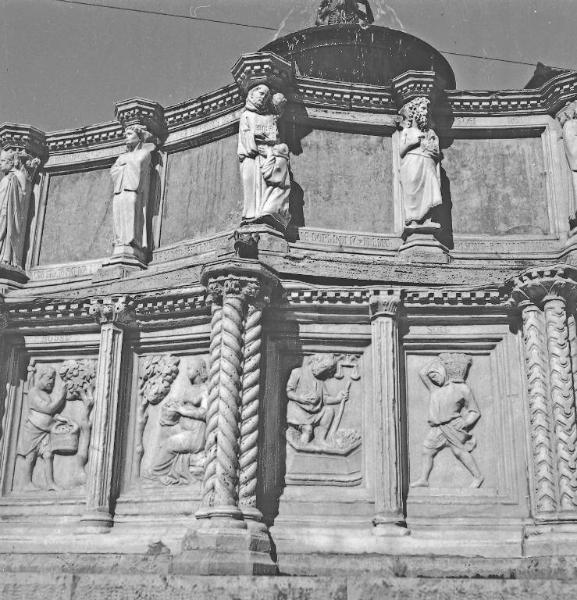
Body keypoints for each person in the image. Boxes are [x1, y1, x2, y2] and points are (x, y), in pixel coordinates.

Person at [411, 354, 484, 489]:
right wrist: (437, 360)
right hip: (437, 428)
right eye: (432, 377)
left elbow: (475, 411)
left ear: (445, 373)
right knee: (427, 451)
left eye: (436, 375)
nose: (434, 378)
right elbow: (422, 373)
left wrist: (466, 422)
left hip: (453, 426)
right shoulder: (435, 390)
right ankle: (423, 479)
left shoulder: (463, 389)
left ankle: (478, 476)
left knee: (459, 452)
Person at [238, 84, 291, 231]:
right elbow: (246, 140)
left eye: (266, 96)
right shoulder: (246, 116)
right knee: (251, 189)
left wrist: (266, 145)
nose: (263, 98)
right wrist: (257, 143)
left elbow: (275, 136)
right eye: (261, 93)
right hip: (252, 157)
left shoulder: (269, 118)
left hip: (266, 155)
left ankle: (269, 213)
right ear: (252, 94)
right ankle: (250, 217)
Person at [150, 358, 208, 485]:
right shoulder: (188, 389)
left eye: (189, 368)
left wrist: (183, 411)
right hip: (184, 429)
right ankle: (164, 473)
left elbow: (204, 413)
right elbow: (180, 406)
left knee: (169, 444)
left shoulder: (205, 389)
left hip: (195, 434)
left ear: (198, 370)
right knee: (163, 439)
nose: (187, 371)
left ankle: (156, 474)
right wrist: (173, 406)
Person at [17, 366, 67, 491]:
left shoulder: (44, 394)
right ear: (40, 377)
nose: (52, 382)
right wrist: (61, 396)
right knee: (31, 456)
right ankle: (25, 483)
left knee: (48, 455)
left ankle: (50, 483)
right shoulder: (33, 392)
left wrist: (57, 418)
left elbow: (48, 413)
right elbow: (48, 408)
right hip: (33, 429)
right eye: (50, 378)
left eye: (54, 379)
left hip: (45, 430)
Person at [110, 125, 155, 256]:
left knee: (133, 212)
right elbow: (113, 171)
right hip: (120, 190)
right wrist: (124, 166)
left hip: (133, 190)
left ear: (139, 137)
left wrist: (123, 166)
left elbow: (139, 164)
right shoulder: (122, 157)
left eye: (129, 134)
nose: (126, 137)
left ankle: (132, 243)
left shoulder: (144, 153)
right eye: (126, 135)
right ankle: (120, 242)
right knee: (118, 213)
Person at [398, 97, 443, 228]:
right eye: (423, 108)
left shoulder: (431, 132)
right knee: (412, 189)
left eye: (427, 109)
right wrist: (415, 142)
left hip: (428, 163)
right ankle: (412, 220)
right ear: (415, 111)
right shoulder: (408, 131)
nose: (426, 112)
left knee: (430, 190)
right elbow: (401, 150)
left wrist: (429, 147)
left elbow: (436, 151)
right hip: (412, 162)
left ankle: (428, 219)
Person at [286, 353, 347, 445]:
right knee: (308, 429)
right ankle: (302, 449)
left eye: (326, 370)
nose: (323, 371)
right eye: (323, 367)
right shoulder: (297, 372)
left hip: (314, 413)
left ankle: (320, 439)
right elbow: (289, 392)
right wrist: (299, 398)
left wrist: (337, 399)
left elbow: (325, 399)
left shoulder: (320, 380)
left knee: (329, 410)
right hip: (298, 412)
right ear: (316, 361)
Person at [0, 149, 37, 268]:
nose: (0, 163)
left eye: (3, 161)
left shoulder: (18, 176)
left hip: (8, 213)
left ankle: (7, 258)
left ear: (12, 163)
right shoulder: (5, 179)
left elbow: (24, 194)